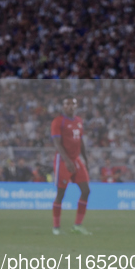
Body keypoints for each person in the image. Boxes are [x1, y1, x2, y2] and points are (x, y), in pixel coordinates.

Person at [51, 96, 91, 235]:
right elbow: (57, 143)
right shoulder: (58, 122)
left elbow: (81, 141)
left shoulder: (79, 121)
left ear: (76, 106)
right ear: (63, 106)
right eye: (67, 104)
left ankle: (77, 225)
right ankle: (56, 227)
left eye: (73, 104)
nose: (70, 106)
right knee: (61, 193)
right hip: (62, 160)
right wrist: (67, 160)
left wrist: (85, 158)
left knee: (86, 191)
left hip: (76, 159)